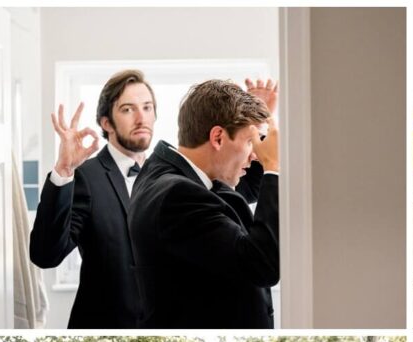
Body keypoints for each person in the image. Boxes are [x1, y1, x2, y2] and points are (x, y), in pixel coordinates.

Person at [128, 78, 280, 328]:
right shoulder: (178, 195)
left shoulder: (166, 173)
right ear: (218, 137)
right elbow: (262, 266)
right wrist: (273, 167)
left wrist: (254, 127)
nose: (255, 156)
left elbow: (246, 188)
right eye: (250, 143)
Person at [29, 70, 155, 328]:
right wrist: (64, 171)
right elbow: (45, 255)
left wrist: (260, 124)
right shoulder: (85, 177)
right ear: (106, 123)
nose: (141, 118)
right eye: (128, 109)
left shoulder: (169, 174)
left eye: (147, 107)